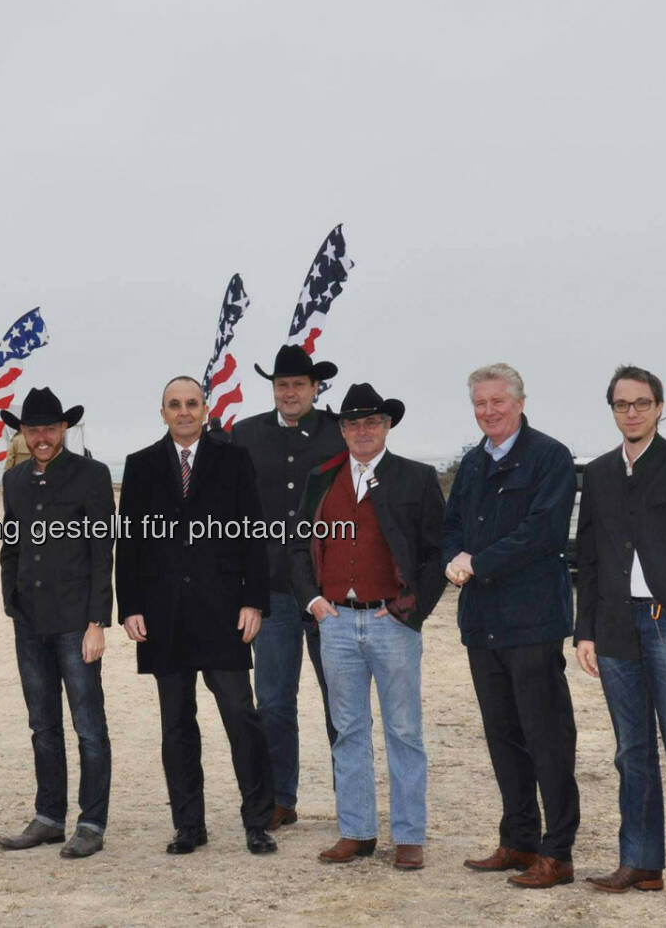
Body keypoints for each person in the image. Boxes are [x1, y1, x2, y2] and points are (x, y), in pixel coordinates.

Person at [575, 366, 666, 905]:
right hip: (613, 628)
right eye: (621, 404)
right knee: (630, 751)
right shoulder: (597, 473)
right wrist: (584, 631)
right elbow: (587, 558)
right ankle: (640, 862)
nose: (631, 412)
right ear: (611, 410)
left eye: (641, 403)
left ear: (660, 406)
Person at [289, 383, 446, 869]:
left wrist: (409, 609)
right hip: (335, 624)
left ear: (387, 426)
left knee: (403, 730)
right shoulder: (320, 478)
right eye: (354, 423)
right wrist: (313, 602)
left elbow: (435, 552)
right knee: (348, 730)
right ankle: (356, 831)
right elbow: (296, 547)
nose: (363, 430)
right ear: (342, 430)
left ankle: (409, 835)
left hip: (391, 622)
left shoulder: (416, 478)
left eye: (372, 422)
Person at [117, 376, 276, 856]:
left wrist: (254, 601)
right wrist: (130, 607)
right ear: (161, 412)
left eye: (191, 403)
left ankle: (257, 821)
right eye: (174, 405)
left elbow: (253, 533)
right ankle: (189, 825)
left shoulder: (233, 460)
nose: (184, 412)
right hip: (164, 618)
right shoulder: (141, 466)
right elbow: (130, 544)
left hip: (223, 613)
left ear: (205, 409)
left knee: (240, 717)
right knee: (176, 725)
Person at [442, 363, 580, 889]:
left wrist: (477, 563)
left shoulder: (549, 457)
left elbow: (542, 533)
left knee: (547, 738)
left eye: (498, 401)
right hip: (483, 624)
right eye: (479, 403)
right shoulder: (473, 463)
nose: (488, 411)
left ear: (520, 403)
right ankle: (519, 841)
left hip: (532, 622)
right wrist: (452, 557)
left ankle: (558, 853)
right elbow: (452, 525)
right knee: (503, 737)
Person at [0, 387, 115, 859]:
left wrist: (97, 621)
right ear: (22, 433)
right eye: (32, 429)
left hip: (75, 623)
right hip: (29, 622)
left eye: (49, 428)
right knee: (42, 725)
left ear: (64, 428)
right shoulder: (15, 480)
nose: (41, 437)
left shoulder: (92, 475)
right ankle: (49, 817)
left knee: (88, 726)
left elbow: (102, 551)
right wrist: (11, 598)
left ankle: (91, 822)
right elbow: (11, 543)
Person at [231, 344, 345, 830]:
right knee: (274, 701)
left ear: (315, 388)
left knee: (341, 701)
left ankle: (353, 803)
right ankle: (280, 798)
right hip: (272, 588)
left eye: (299, 384)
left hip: (333, 590)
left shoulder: (341, 432)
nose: (290, 392)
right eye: (282, 384)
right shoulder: (244, 435)